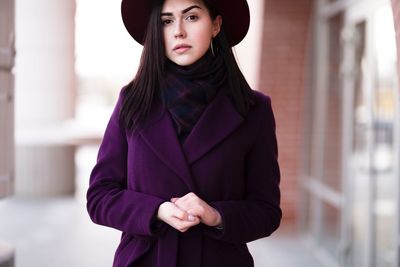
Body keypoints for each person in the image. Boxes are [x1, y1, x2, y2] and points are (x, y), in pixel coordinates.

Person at [86, 0, 282, 266]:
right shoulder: (132, 101)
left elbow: (266, 211)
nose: (178, 31)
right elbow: (99, 197)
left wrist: (216, 215)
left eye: (191, 17)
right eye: (166, 21)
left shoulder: (253, 109)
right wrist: (155, 211)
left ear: (215, 25)